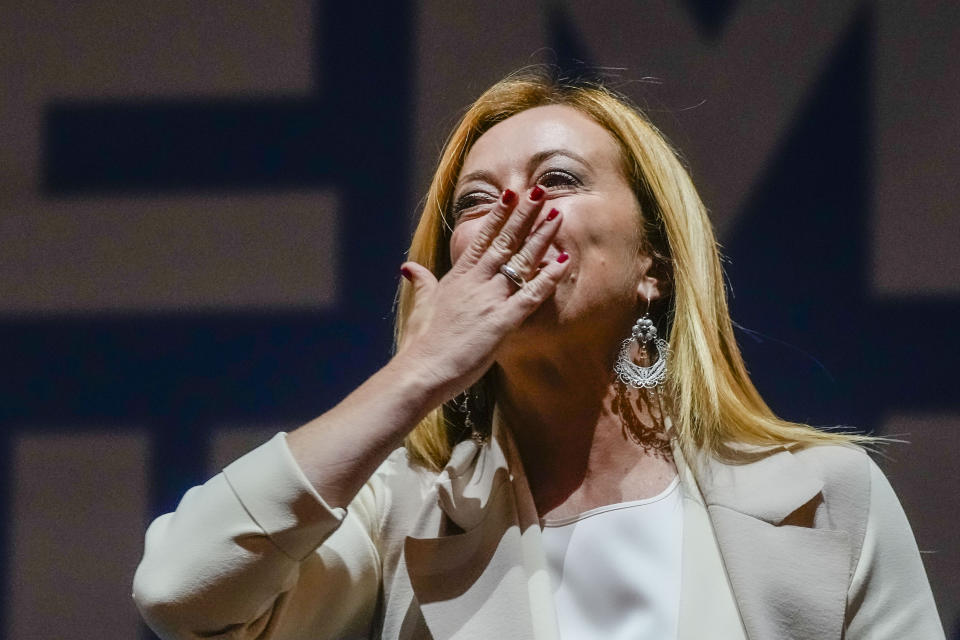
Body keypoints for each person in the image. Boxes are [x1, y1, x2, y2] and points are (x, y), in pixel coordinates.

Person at [132, 69, 944, 639]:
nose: (513, 211)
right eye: (477, 201)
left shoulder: (823, 496)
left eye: (557, 180)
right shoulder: (400, 513)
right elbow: (180, 595)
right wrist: (417, 374)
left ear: (651, 264)